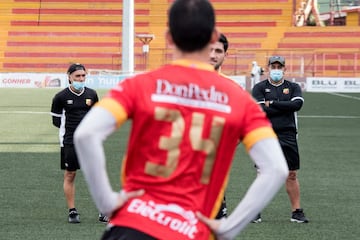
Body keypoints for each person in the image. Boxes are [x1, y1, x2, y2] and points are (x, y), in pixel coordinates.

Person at [74, 1, 288, 239]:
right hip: (190, 230)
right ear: (213, 36)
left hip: (133, 224)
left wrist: (108, 203)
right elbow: (276, 169)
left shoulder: (140, 84)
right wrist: (229, 228)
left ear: (168, 38)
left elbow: (85, 135)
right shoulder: (239, 100)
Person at [251, 56, 309, 223]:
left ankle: (296, 211)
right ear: (268, 68)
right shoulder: (259, 87)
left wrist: (272, 104)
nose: (276, 69)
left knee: (291, 174)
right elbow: (260, 109)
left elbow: (297, 105)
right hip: (265, 134)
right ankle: (255, 211)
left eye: (279, 66)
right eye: (273, 66)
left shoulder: (293, 86)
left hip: (288, 134)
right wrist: (283, 105)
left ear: (284, 69)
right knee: (262, 173)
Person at [50, 63, 108, 223]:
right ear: (69, 77)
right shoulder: (60, 97)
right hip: (69, 142)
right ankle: (72, 211)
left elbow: (97, 116)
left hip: (90, 141)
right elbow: (56, 121)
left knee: (97, 174)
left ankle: (103, 211)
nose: (81, 79)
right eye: (77, 76)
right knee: (70, 174)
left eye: (83, 76)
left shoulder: (92, 94)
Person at [209, 33, 229, 220]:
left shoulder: (232, 90)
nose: (213, 55)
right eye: (209, 49)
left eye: (218, 51)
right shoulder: (178, 85)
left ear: (225, 55)